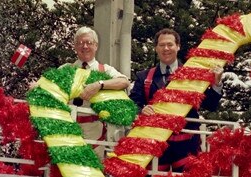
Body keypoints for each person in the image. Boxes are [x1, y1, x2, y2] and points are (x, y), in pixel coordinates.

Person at [129, 28, 223, 172]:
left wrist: (216, 84)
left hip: (187, 144)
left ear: (178, 46)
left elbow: (210, 105)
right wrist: (142, 110)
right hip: (156, 144)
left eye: (170, 44)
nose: (166, 49)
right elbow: (132, 104)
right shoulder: (144, 76)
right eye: (161, 45)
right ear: (156, 48)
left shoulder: (193, 74)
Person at [64, 26, 130, 158]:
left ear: (96, 46)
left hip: (93, 131)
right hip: (67, 130)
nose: (85, 46)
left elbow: (124, 82)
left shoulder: (104, 70)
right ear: (75, 46)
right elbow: (45, 85)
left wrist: (99, 84)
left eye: (89, 43)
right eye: (80, 43)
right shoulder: (65, 69)